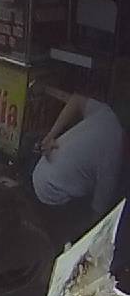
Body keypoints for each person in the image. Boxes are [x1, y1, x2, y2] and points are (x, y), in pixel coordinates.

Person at [32, 89, 125, 218]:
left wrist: (50, 135)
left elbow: (77, 99)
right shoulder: (114, 151)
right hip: (52, 194)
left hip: (39, 172)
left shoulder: (106, 113)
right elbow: (98, 210)